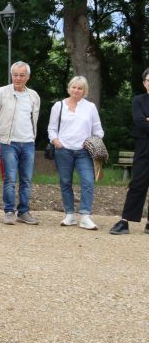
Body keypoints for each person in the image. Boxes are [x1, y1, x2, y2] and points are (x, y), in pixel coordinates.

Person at [0, 61, 41, 225]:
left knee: (26, 179)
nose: (18, 78)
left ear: (28, 77)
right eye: (15, 75)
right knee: (10, 178)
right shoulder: (1, 92)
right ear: (11, 75)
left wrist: (32, 136)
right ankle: (9, 211)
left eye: (22, 75)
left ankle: (24, 212)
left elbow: (35, 118)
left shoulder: (34, 96)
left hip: (28, 142)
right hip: (8, 142)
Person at [48, 76, 104, 230]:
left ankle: (85, 215)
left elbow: (98, 131)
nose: (76, 90)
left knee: (88, 181)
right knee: (65, 182)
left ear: (84, 91)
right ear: (69, 88)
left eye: (80, 88)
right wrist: (56, 141)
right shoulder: (58, 106)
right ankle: (70, 214)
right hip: (63, 150)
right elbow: (51, 129)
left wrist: (91, 142)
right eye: (74, 87)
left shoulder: (90, 107)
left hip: (83, 152)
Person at [110, 69, 149, 235]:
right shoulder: (138, 100)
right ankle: (125, 221)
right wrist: (145, 120)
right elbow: (140, 123)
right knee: (137, 183)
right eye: (148, 79)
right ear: (144, 82)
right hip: (144, 147)